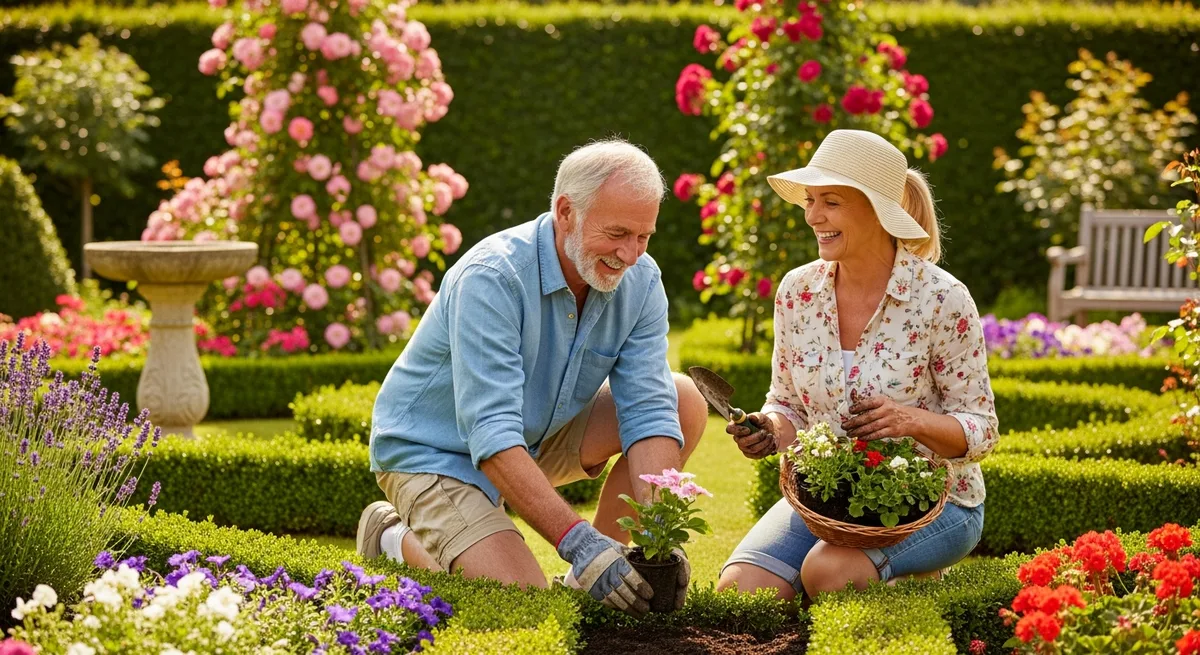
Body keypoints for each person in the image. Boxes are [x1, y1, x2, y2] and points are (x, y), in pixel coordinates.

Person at [356, 139, 708, 616]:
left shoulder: (641, 281)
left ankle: (593, 579)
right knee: (525, 602)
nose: (630, 254)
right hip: (436, 453)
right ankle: (393, 538)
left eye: (644, 236)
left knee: (682, 398)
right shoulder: (492, 277)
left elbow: (648, 409)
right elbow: (492, 433)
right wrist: (578, 543)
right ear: (566, 212)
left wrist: (659, 534)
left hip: (537, 436)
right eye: (617, 233)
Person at [717, 129, 998, 601]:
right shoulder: (798, 292)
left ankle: (907, 574)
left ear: (878, 209)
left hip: (935, 502)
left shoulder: (942, 298)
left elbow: (982, 429)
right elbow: (787, 404)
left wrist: (910, 421)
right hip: (829, 500)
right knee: (741, 592)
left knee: (828, 574)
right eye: (810, 201)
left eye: (831, 202)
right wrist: (769, 427)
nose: (813, 216)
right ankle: (892, 579)